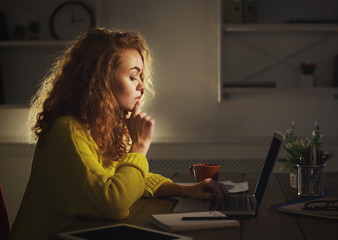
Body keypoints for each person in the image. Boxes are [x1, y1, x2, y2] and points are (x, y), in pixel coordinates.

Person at [8, 28, 229, 240]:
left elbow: (125, 178)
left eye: (141, 76)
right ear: (100, 83)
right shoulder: (67, 129)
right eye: (133, 77)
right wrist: (139, 148)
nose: (142, 86)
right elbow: (114, 203)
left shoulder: (101, 126)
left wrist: (186, 189)